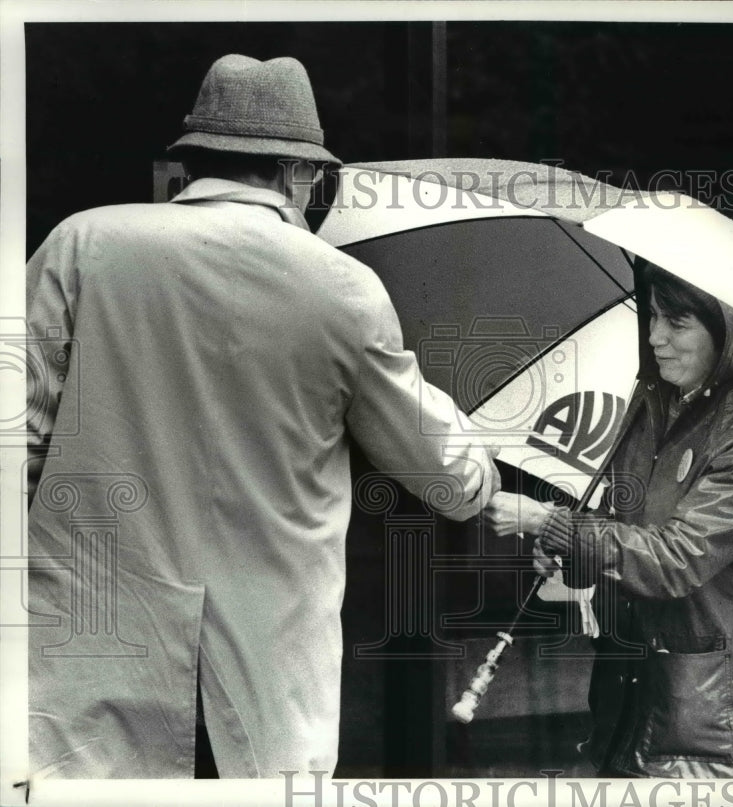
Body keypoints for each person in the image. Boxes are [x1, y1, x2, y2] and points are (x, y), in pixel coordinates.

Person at [26, 54, 499, 778]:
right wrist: (476, 453)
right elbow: (446, 480)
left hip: (88, 683)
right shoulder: (340, 287)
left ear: (193, 163)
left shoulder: (81, 244)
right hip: (261, 697)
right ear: (295, 173)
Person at [485, 260, 733, 778]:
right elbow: (625, 522)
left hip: (720, 729)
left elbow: (676, 559)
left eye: (677, 323)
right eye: (653, 316)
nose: (656, 336)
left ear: (727, 335)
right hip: (633, 705)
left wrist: (552, 524)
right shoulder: (655, 397)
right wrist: (569, 550)